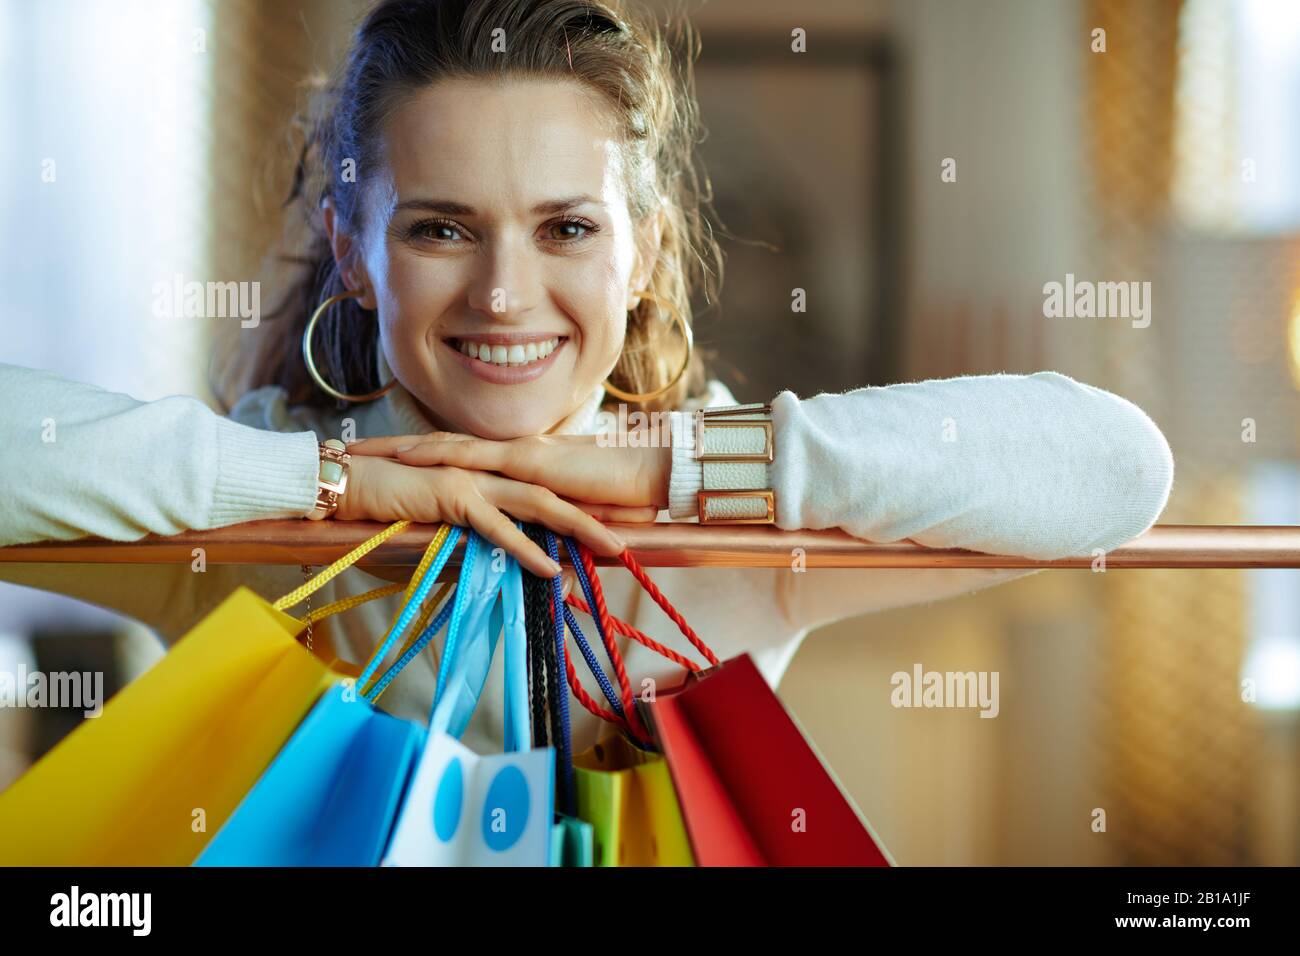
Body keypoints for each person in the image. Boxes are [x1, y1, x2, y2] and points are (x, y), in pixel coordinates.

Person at [0, 0, 1172, 754]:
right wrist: (327, 480)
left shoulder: (731, 520)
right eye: (439, 229)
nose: (503, 295)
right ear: (353, 253)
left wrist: (663, 465)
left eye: (565, 228)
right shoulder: (251, 517)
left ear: (645, 253)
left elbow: (1118, 467)